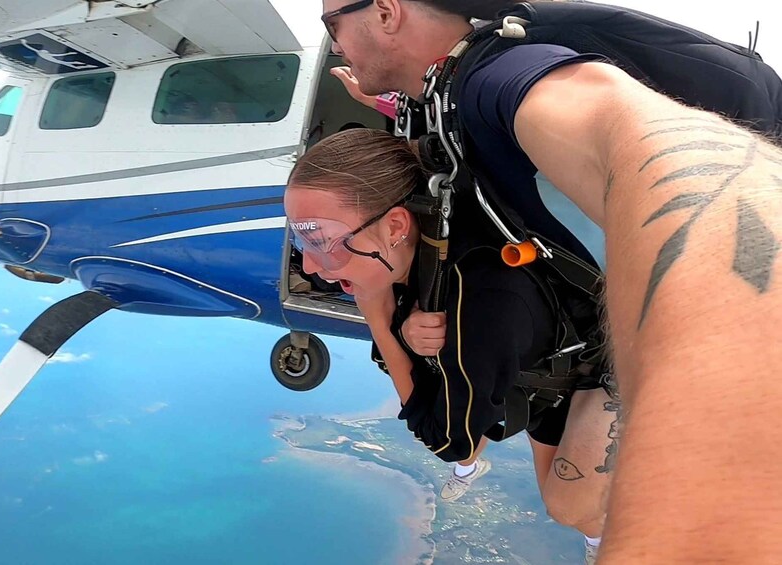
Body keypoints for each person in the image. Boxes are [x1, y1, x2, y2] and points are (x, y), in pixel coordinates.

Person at [318, 1, 782, 562]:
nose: (336, 44)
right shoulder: (441, 93)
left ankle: (597, 530)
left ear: (388, 11)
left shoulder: (498, 77)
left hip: (600, 338)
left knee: (568, 499)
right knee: (555, 480)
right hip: (567, 325)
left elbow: (643, 140)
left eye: (331, 23)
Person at [285, 128, 617, 563]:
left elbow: (449, 443)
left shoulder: (479, 297)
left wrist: (379, 318)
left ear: (396, 226)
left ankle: (604, 540)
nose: (311, 266)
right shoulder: (423, 243)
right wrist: (404, 327)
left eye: (322, 240)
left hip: (607, 363)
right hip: (548, 363)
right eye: (300, 239)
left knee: (568, 505)